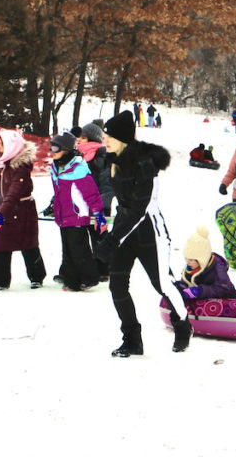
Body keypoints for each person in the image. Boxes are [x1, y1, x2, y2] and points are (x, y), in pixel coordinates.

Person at [94, 110, 191, 357]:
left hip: (149, 231)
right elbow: (119, 201)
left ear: (123, 139)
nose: (105, 141)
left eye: (109, 137)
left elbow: (140, 208)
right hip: (125, 229)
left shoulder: (144, 163)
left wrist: (113, 239)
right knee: (117, 285)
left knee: (162, 284)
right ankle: (132, 340)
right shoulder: (113, 159)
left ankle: (182, 324)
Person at [0, 129, 46, 291]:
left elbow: (14, 193)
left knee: (28, 245)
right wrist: (0, 211)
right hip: (6, 207)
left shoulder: (20, 167)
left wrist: (0, 215)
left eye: (3, 144)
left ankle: (37, 276)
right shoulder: (2, 164)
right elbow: (5, 193)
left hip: (22, 211)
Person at [47, 132, 105, 292]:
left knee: (79, 249)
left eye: (56, 147)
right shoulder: (56, 166)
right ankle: (72, 280)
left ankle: (90, 277)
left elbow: (92, 193)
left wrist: (99, 214)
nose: (53, 151)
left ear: (66, 149)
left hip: (77, 214)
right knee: (67, 249)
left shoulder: (78, 168)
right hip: (63, 215)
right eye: (51, 147)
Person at [78, 122, 114, 281]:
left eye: (83, 137)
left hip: (99, 206)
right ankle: (82, 267)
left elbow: (108, 185)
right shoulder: (78, 157)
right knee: (78, 239)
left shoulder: (103, 157)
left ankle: (104, 269)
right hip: (81, 206)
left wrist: (101, 205)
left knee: (100, 238)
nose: (79, 140)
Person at [175, 226, 236, 300]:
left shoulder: (217, 266)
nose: (187, 262)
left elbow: (225, 288)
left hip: (222, 302)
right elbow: (186, 282)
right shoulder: (191, 267)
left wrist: (200, 291)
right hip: (202, 302)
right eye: (186, 258)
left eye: (191, 259)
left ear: (202, 259)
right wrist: (181, 286)